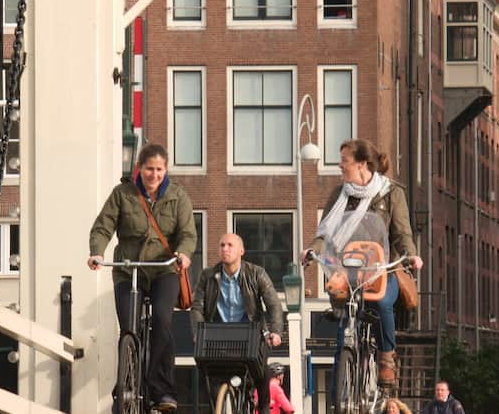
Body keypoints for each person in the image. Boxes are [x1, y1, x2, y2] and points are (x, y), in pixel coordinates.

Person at [302, 138, 423, 387]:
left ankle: (387, 359)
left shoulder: (391, 193)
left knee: (382, 302)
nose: (340, 166)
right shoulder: (339, 194)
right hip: (348, 270)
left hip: (381, 269)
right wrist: (312, 251)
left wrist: (411, 255)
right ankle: (339, 390)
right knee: (343, 329)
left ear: (362, 164)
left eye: (344, 161)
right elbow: (325, 233)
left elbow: (402, 234)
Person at [88, 143, 196, 412]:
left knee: (162, 320)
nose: (154, 175)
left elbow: (187, 233)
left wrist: (183, 254)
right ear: (139, 168)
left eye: (159, 169)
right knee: (128, 327)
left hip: (164, 270)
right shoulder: (123, 194)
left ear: (166, 170)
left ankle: (161, 389)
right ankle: (126, 384)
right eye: (149, 169)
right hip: (129, 268)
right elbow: (103, 227)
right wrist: (97, 252)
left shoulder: (178, 196)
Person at [190, 233, 284, 414]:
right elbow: (197, 307)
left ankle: (264, 408)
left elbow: (274, 304)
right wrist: (197, 332)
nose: (225, 249)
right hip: (218, 337)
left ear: (241, 251)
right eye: (222, 245)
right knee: (208, 377)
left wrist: (276, 331)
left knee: (262, 374)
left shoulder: (256, 273)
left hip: (251, 335)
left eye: (230, 245)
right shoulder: (207, 275)